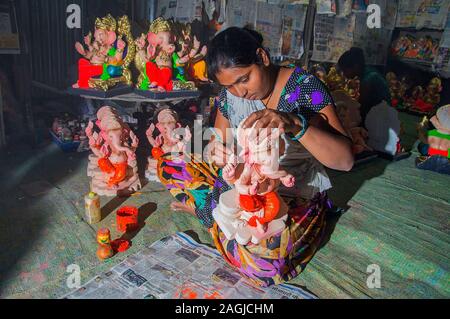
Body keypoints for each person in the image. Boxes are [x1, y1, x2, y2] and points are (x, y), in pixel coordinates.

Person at [156, 27, 354, 287]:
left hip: (290, 195)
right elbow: (219, 142)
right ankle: (218, 216)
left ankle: (209, 213)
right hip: (242, 183)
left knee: (266, 264)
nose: (240, 92)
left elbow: (345, 160)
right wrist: (217, 152)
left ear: (262, 57)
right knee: (169, 162)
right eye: (229, 86)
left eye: (244, 79)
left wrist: (295, 123)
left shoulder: (304, 87)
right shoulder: (229, 96)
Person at [337, 47, 391, 123]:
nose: (344, 74)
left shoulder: (368, 80)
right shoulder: (368, 71)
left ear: (355, 66)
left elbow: (362, 109)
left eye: (345, 70)